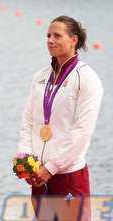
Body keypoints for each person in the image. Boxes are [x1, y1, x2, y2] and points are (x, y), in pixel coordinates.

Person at [18, 15, 103, 220]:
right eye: (48, 35)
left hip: (67, 176)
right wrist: (27, 161)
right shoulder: (40, 77)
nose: (50, 40)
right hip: (39, 177)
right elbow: (28, 121)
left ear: (74, 40)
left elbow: (81, 132)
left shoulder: (87, 78)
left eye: (57, 35)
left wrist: (51, 167)